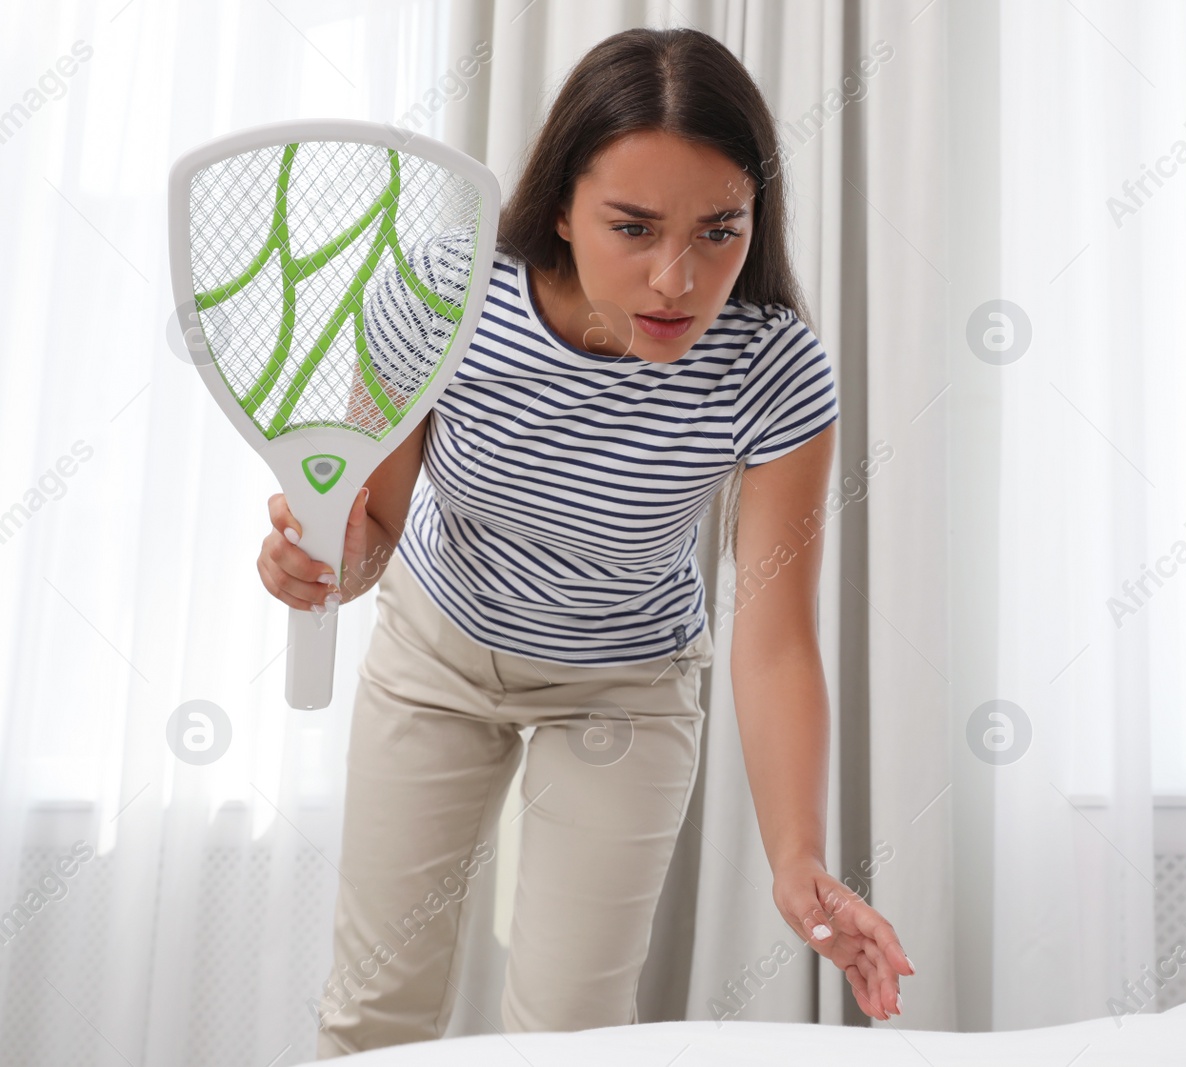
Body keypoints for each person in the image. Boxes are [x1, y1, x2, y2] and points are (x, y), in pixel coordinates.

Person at [254, 25, 913, 1056]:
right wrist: (320, 565)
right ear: (560, 205)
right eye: (633, 226)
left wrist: (798, 856)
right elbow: (370, 532)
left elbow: (775, 632)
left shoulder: (775, 367)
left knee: (575, 1033)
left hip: (626, 686)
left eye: (717, 231)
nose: (674, 280)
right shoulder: (441, 296)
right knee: (373, 1012)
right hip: (437, 652)